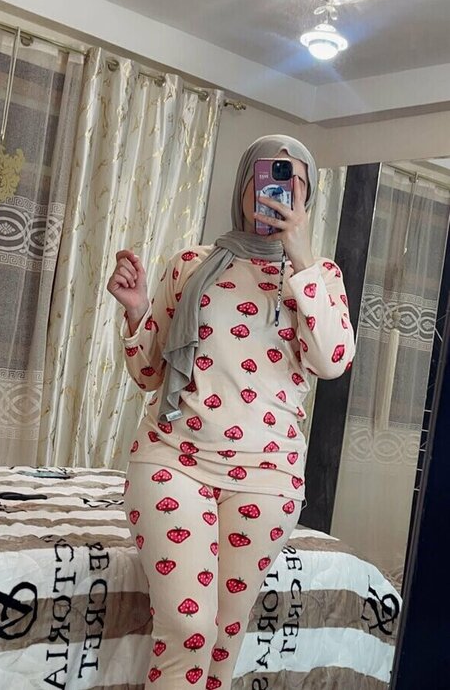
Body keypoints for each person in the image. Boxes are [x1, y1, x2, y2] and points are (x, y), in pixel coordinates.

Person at [107, 134, 356, 689]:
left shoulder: (320, 277)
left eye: (295, 182)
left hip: (268, 477)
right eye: (267, 177)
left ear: (309, 197)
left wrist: (301, 258)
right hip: (175, 460)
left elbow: (332, 360)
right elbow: (150, 374)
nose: (278, 191)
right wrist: (138, 311)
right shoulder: (192, 265)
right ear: (244, 185)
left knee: (224, 637)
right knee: (188, 627)